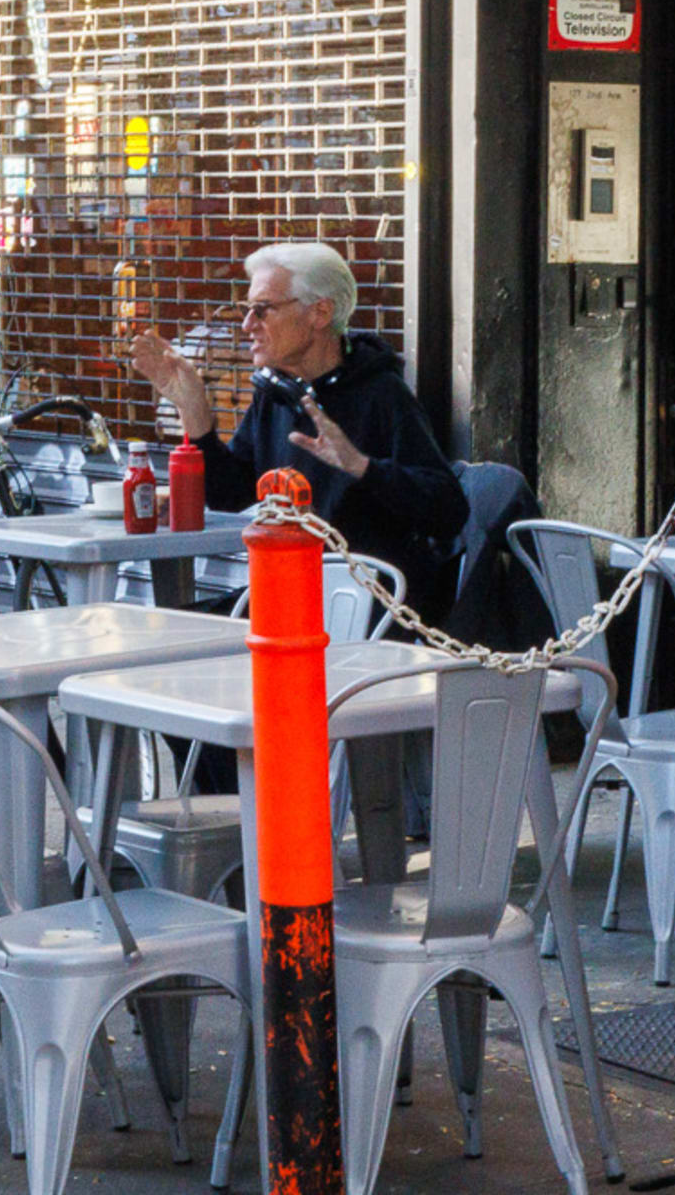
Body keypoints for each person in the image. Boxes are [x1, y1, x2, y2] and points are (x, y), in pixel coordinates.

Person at [128, 242, 464, 876]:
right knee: (173, 676)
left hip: (364, 618)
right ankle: (240, 841)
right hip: (286, 604)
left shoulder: (380, 394)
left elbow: (448, 508)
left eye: (262, 310)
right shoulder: (278, 394)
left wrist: (362, 467)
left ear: (318, 314)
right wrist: (193, 409)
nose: (247, 325)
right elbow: (233, 491)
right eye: (246, 310)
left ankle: (280, 842)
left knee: (232, 685)